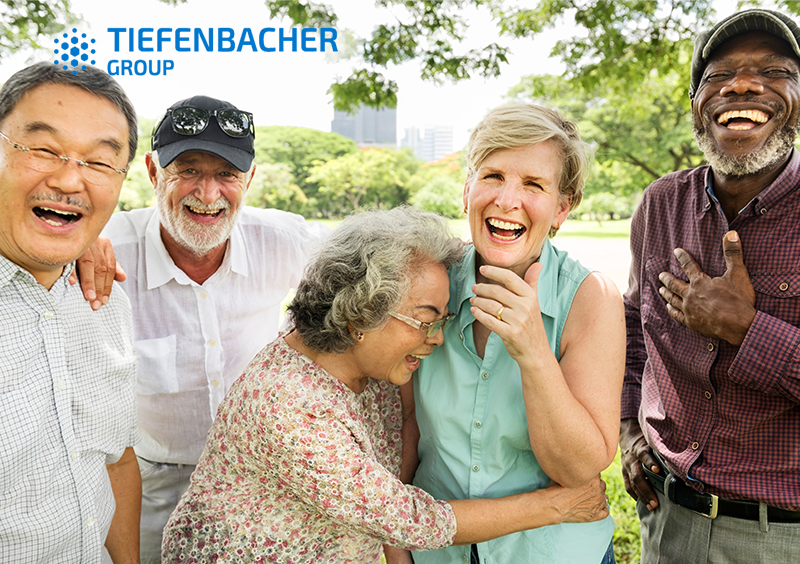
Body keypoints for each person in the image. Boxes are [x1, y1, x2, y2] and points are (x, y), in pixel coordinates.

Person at [161, 206, 611, 563]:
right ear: (361, 314)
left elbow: (402, 441)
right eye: (424, 321)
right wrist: (557, 506)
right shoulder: (289, 405)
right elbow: (410, 518)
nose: (436, 339)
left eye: (443, 320)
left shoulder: (365, 367)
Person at [78, 95, 328, 563]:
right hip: (153, 482)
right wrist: (77, 242)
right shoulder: (104, 247)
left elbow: (378, 263)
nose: (208, 193)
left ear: (249, 179)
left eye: (226, 175)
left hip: (261, 475)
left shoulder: (284, 241)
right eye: (188, 170)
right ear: (154, 173)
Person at [620, 8, 800, 563]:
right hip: (667, 519)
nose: (742, 84)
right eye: (719, 75)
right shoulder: (660, 204)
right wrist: (629, 432)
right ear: (697, 105)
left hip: (782, 536)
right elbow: (633, 330)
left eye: (773, 71)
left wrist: (746, 330)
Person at [410, 104, 625, 564]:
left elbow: (578, 469)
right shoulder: (427, 284)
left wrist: (533, 352)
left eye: (533, 185)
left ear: (562, 208)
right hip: (436, 552)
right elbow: (401, 434)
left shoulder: (592, 299)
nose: (507, 201)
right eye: (492, 176)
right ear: (466, 192)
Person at [0, 62, 140, 562]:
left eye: (100, 163)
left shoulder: (104, 298)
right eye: (42, 149)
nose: (68, 179)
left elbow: (117, 461)